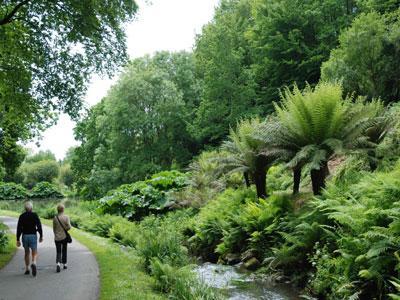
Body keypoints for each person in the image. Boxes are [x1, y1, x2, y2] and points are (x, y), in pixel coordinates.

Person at [16, 201, 43, 277]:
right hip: (33, 236)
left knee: (26, 252)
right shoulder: (35, 215)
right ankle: (34, 262)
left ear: (25, 208)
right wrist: (41, 235)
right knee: (34, 252)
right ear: (31, 208)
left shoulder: (22, 216)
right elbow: (39, 226)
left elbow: (19, 228)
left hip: (25, 236)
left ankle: (27, 268)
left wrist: (17, 239)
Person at [53, 204, 71, 273]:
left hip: (57, 237)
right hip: (64, 237)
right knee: (64, 250)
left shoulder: (55, 218)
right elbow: (69, 227)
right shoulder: (66, 217)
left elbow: (54, 228)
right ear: (63, 209)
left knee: (58, 251)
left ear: (57, 210)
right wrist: (65, 230)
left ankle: (58, 263)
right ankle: (64, 264)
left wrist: (56, 234)